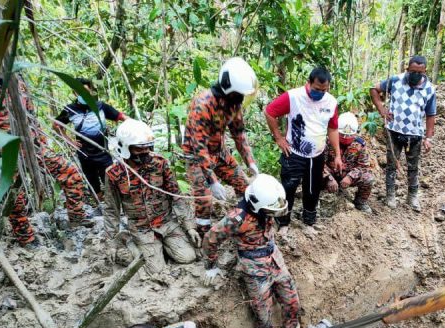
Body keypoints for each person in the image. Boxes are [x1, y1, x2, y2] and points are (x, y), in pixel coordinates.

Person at [202, 174, 301, 328]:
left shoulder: (268, 199)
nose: (272, 214)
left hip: (275, 259)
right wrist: (211, 265)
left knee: (292, 301)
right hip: (254, 269)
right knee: (262, 313)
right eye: (270, 211)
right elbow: (211, 238)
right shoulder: (237, 218)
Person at [0, 77, 91, 247]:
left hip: (33, 147)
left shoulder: (17, 79)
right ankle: (26, 238)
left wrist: (42, 141)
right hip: (2, 154)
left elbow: (31, 116)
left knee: (70, 172)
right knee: (15, 199)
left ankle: (77, 218)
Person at [104, 119, 200, 275]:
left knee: (188, 257)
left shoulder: (160, 163)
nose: (145, 152)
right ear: (126, 147)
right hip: (141, 229)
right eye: (139, 149)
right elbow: (111, 210)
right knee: (156, 270)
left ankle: (160, 248)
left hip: (167, 223)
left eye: (147, 147)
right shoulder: (114, 173)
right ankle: (130, 242)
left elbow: (176, 196)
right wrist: (111, 242)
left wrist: (190, 226)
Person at [181, 57, 259, 236]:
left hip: (219, 152)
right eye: (238, 94)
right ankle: (204, 235)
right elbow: (199, 146)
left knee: (244, 186)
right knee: (205, 199)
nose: (240, 98)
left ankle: (244, 223)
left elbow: (239, 133)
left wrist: (250, 162)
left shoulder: (234, 103)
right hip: (196, 157)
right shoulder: (203, 104)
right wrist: (213, 181)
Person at [264, 66, 341, 236]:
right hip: (293, 152)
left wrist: (337, 155)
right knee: (288, 187)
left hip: (317, 154)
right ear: (309, 83)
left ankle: (309, 222)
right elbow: (270, 112)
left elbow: (333, 128)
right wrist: (279, 138)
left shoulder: (331, 102)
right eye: (316, 89)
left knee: (313, 189)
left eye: (324, 90)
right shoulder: (293, 97)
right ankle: (283, 223)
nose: (320, 93)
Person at [370, 55, 437, 212]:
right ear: (407, 69)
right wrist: (382, 109)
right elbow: (374, 89)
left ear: (425, 72)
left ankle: (412, 196)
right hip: (394, 130)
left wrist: (428, 138)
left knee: (413, 167)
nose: (416, 75)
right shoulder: (396, 80)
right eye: (413, 71)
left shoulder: (429, 89)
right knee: (391, 164)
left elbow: (430, 115)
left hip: (415, 134)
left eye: (419, 72)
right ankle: (390, 196)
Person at [54, 78, 127, 197]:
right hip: (84, 153)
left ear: (91, 91)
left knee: (110, 179)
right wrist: (69, 141)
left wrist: (136, 126)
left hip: (103, 152)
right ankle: (99, 202)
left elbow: (121, 116)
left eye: (86, 91)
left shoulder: (101, 106)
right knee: (92, 181)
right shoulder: (70, 110)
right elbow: (56, 125)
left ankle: (112, 203)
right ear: (75, 93)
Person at [323, 112, 374, 213]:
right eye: (342, 135)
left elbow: (363, 166)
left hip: (347, 174)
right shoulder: (328, 141)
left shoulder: (359, 145)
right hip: (330, 173)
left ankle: (360, 202)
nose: (346, 138)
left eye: (349, 135)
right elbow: (319, 163)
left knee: (368, 178)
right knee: (312, 172)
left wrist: (350, 177)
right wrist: (329, 178)